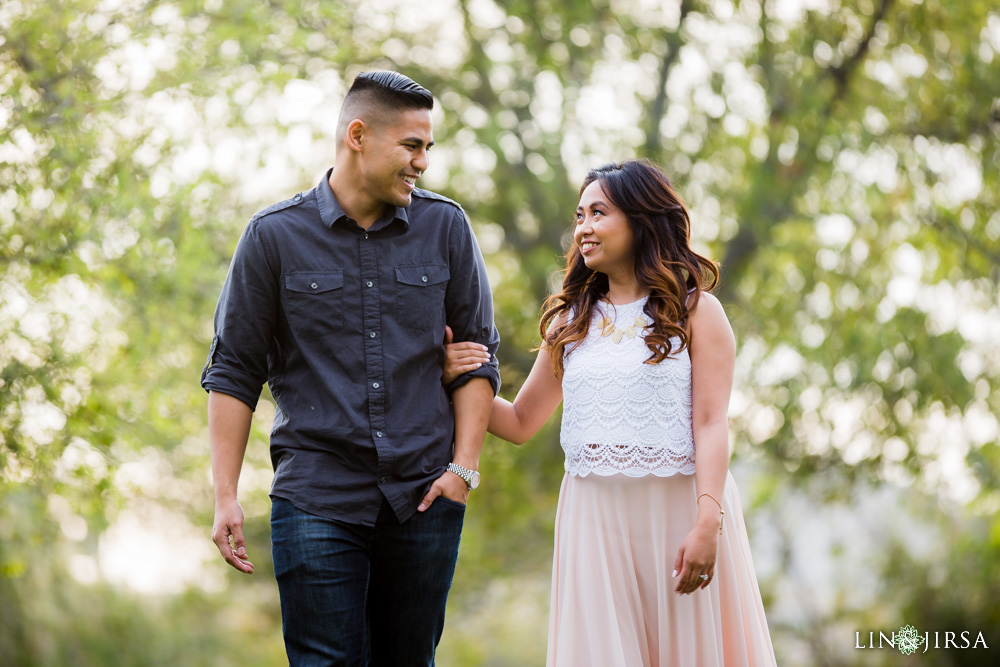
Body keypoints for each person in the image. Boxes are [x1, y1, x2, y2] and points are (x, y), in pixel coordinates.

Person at [201, 70, 499, 666]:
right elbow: (234, 371)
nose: (422, 163)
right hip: (316, 496)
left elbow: (477, 358)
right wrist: (226, 495)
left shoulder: (447, 228)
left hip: (424, 496)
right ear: (358, 135)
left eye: (428, 148)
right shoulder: (272, 237)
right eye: (411, 146)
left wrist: (461, 474)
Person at [444, 159, 776, 666]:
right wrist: (458, 378)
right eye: (579, 216)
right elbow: (517, 423)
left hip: (680, 515)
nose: (583, 229)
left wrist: (709, 521)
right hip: (593, 524)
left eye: (598, 213)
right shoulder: (570, 323)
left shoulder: (696, 310)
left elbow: (711, 423)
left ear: (642, 220)